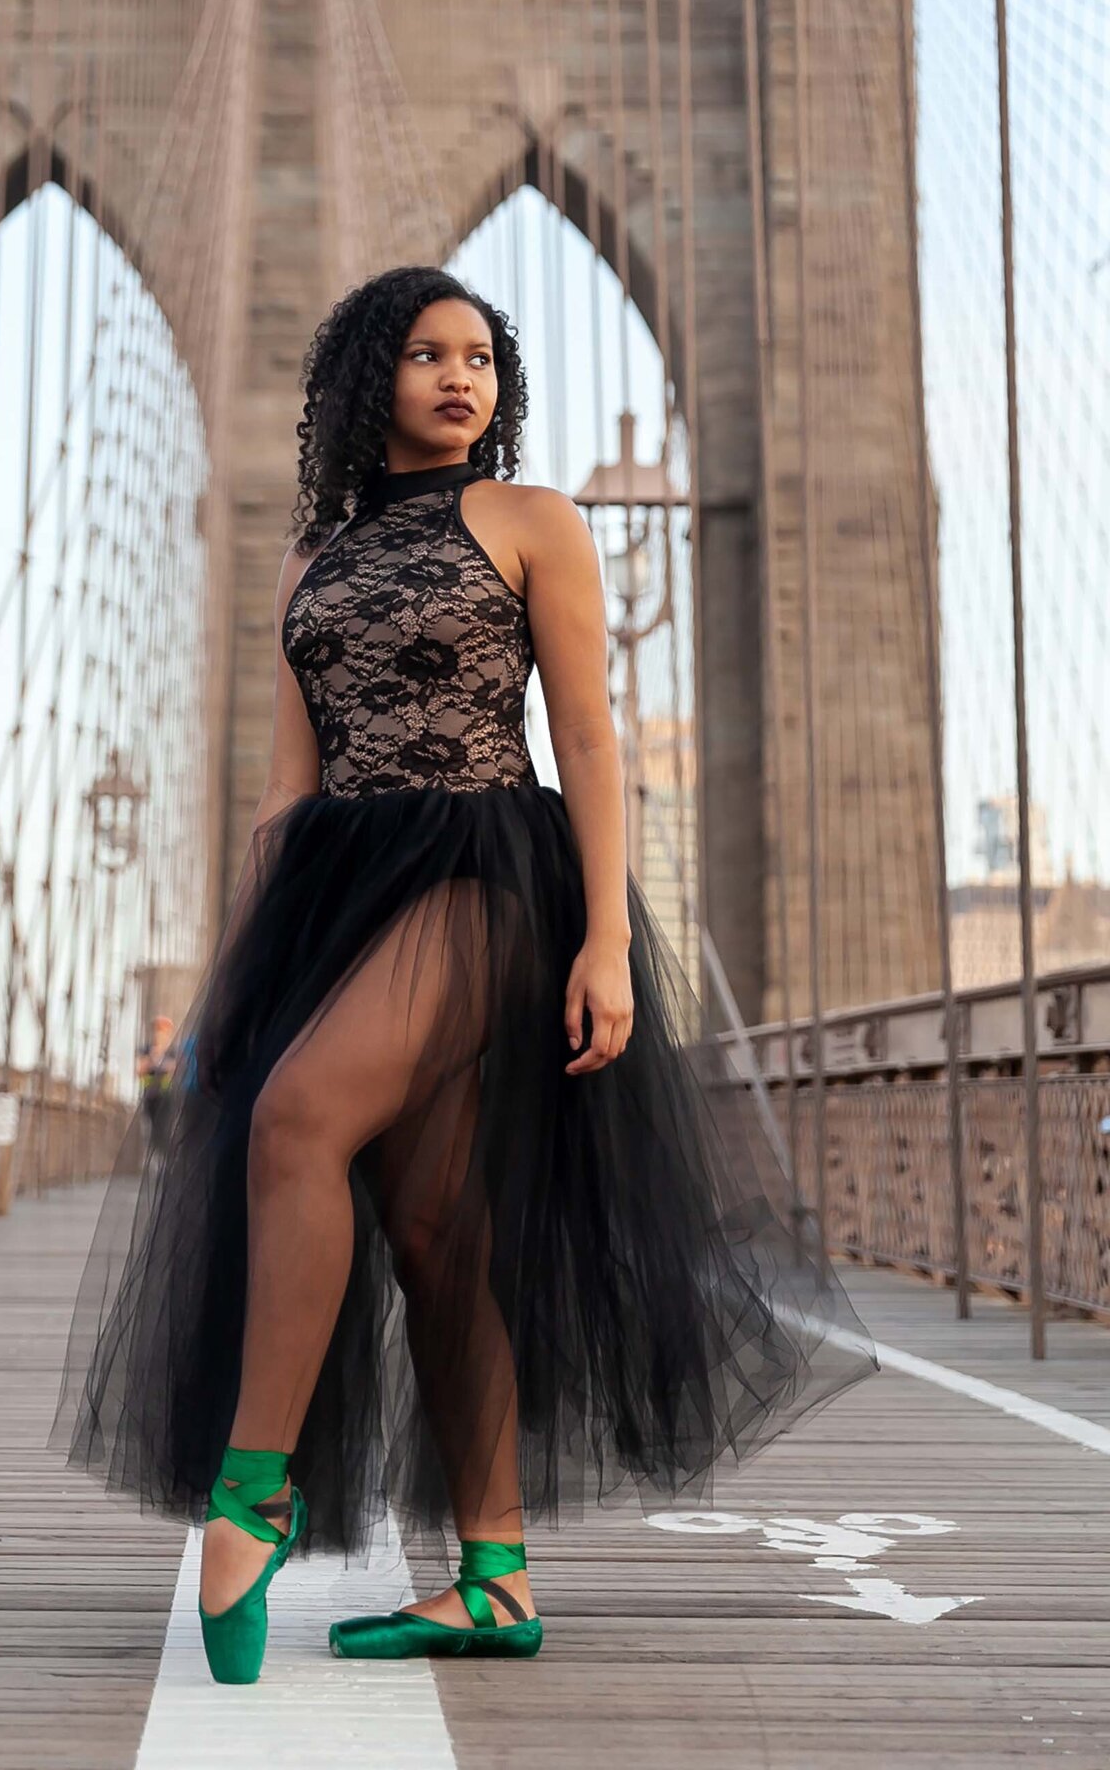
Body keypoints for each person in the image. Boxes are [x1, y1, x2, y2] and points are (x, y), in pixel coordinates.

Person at [58, 265, 871, 1686]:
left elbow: (593, 739)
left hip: (488, 877)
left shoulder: (532, 522)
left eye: (483, 359)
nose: (460, 378)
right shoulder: (311, 566)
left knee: (297, 1124)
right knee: (436, 1231)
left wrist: (608, 937)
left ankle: (252, 1494)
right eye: (429, 354)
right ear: (368, 374)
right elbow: (282, 793)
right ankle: (493, 1578)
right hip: (335, 895)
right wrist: (228, 973)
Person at [134, 1015, 177, 1159]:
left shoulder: (172, 1052)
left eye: (163, 1032)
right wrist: (152, 1059)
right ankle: (153, 1159)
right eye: (157, 1031)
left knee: (164, 1130)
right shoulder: (146, 1050)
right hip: (150, 1097)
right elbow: (139, 1070)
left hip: (166, 1097)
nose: (159, 1035)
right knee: (150, 1132)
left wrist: (162, 1063)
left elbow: (176, 1068)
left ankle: (165, 1159)